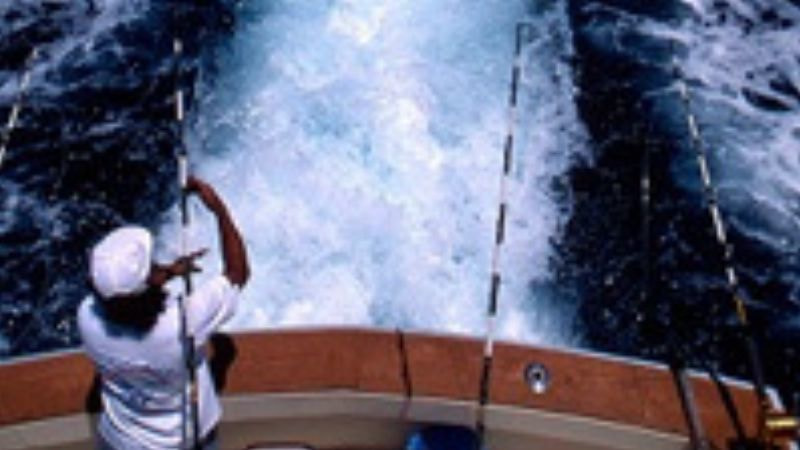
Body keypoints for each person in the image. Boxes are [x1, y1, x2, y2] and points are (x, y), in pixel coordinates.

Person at [78, 176, 249, 450]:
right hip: (183, 442)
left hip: (119, 441)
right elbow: (238, 273)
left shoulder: (86, 316)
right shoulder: (184, 322)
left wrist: (168, 272)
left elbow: (123, 298)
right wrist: (219, 210)